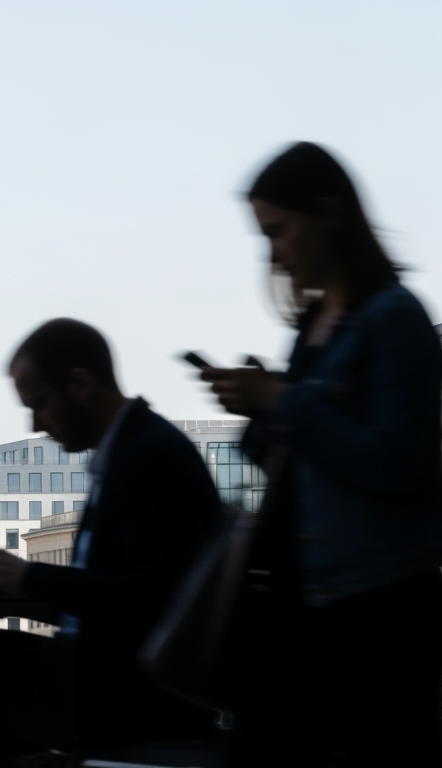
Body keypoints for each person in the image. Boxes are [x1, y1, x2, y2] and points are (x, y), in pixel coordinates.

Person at [0, 319, 219, 766]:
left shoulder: (150, 457)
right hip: (102, 675)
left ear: (81, 384)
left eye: (41, 404)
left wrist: (30, 577)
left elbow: (156, 597)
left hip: (118, 692)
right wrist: (13, 584)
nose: (35, 422)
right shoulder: (133, 449)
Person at [200, 142, 442, 766]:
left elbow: (398, 463)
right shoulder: (312, 330)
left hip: (379, 615)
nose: (273, 253)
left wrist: (281, 403)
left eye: (279, 231)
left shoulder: (394, 319)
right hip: (310, 608)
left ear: (327, 215)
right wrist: (259, 412)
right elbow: (305, 469)